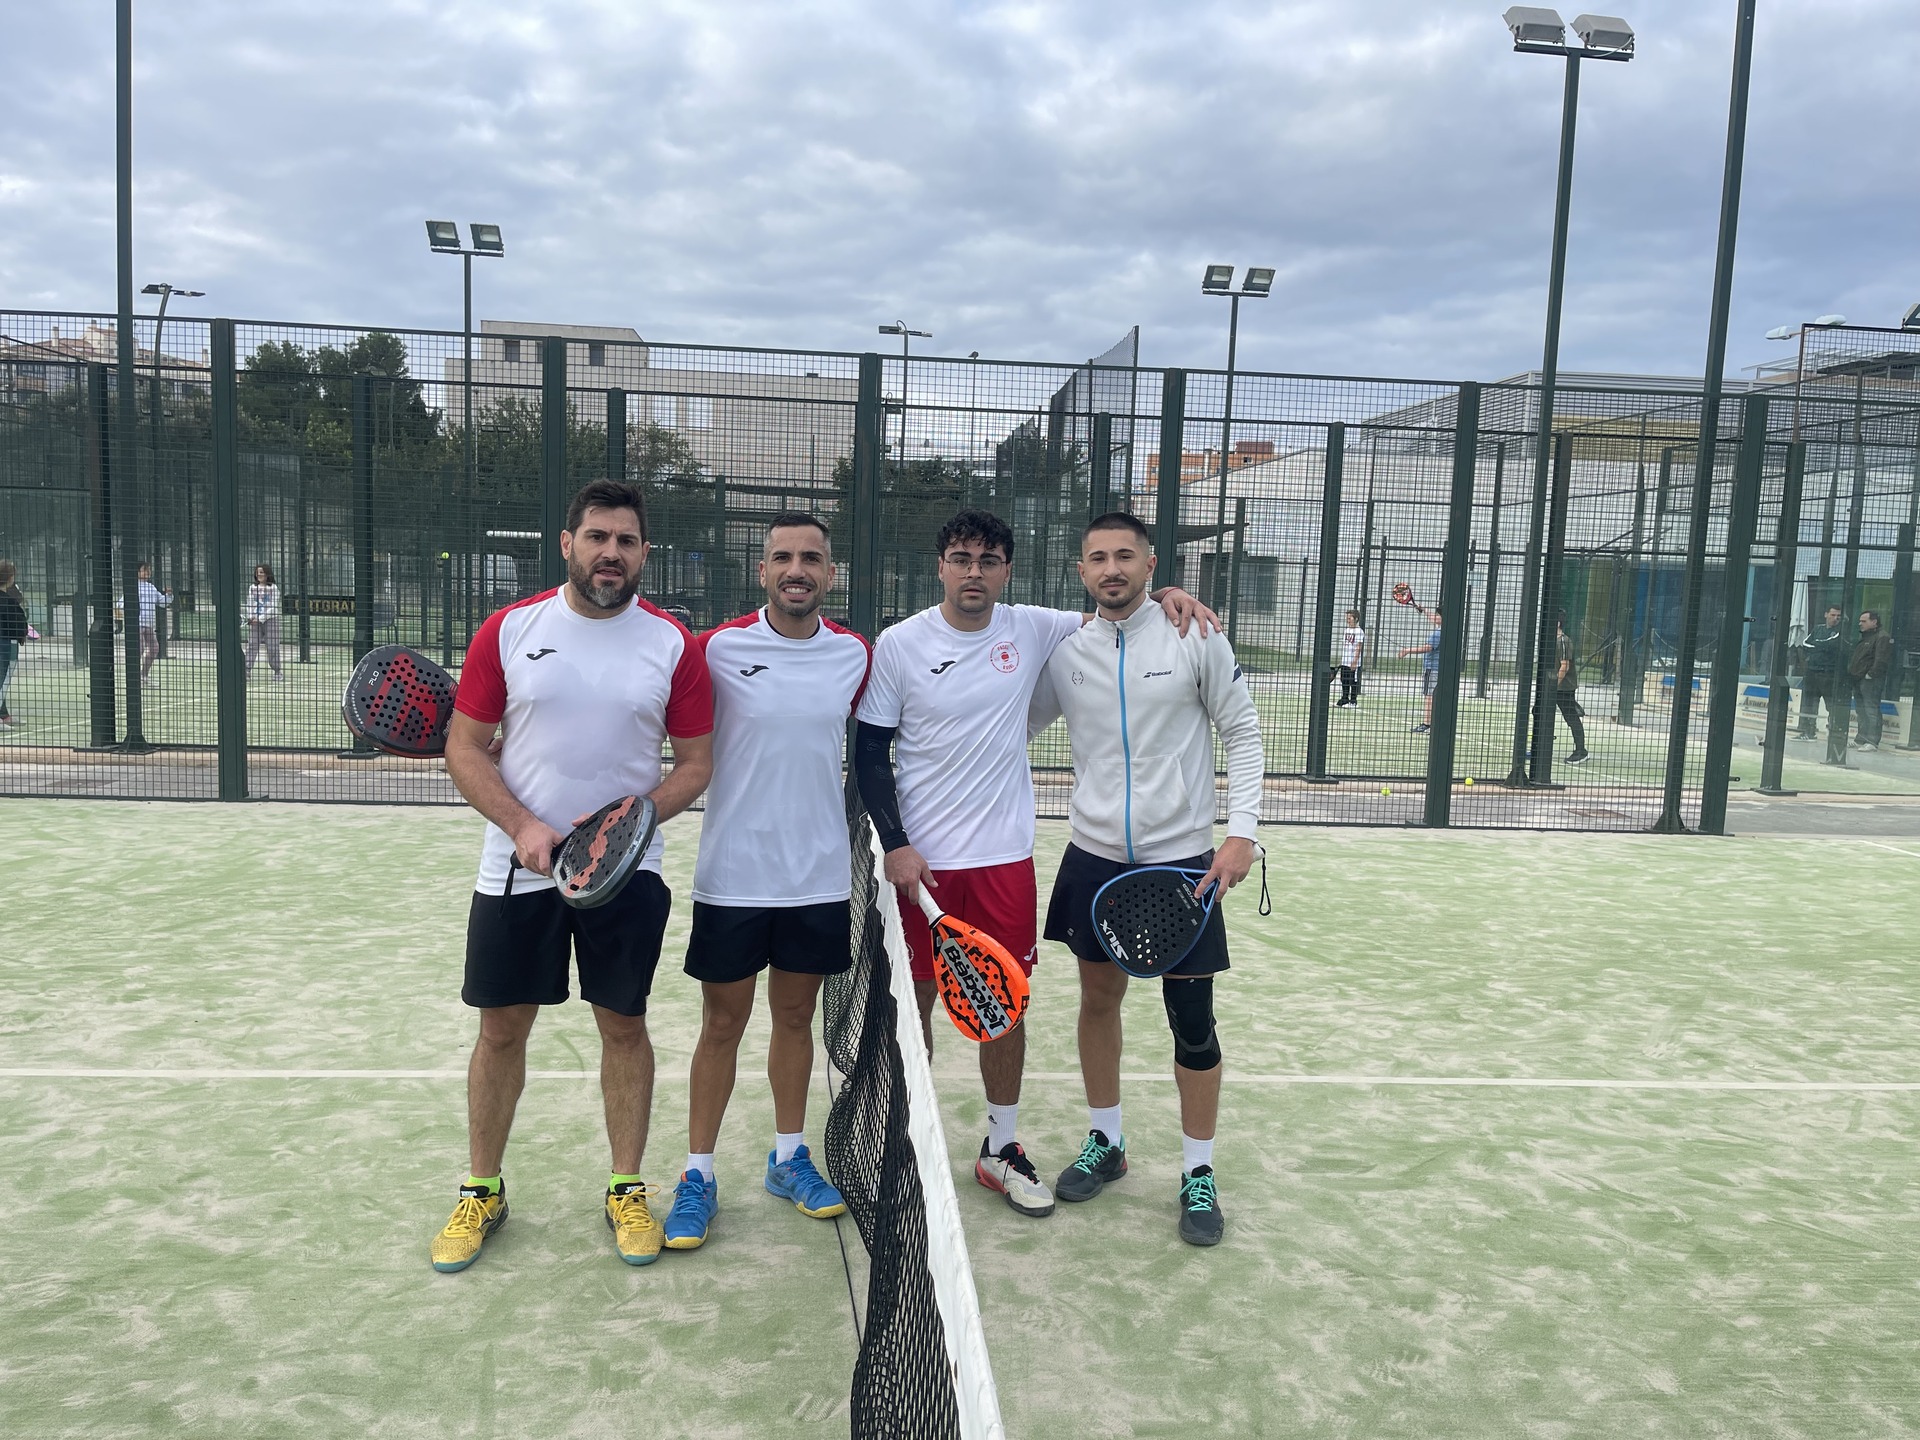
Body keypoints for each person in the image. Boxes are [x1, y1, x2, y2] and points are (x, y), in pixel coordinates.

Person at [853, 508, 1214, 1220]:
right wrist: (895, 842)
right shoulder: (900, 644)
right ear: (940, 567)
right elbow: (869, 751)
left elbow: (1118, 606)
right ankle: (902, 1146)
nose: (974, 573)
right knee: (913, 1010)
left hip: (1004, 864)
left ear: (1006, 572)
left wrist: (1171, 593)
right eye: (961, 559)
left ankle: (1000, 1147)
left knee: (1003, 1006)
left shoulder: (1035, 627)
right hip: (920, 868)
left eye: (988, 561)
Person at [430, 479, 714, 1274]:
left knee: (623, 1026)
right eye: (596, 537)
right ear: (567, 544)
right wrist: (523, 826)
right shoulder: (509, 630)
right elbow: (464, 747)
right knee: (501, 1030)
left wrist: (627, 827)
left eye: (625, 541)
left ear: (644, 552)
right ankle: (482, 1189)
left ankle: (626, 1188)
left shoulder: (673, 645)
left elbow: (696, 764)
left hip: (625, 877)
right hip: (516, 872)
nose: (610, 553)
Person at [1029, 513, 1262, 1247]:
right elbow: (1009, 725)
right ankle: (1107, 1141)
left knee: (1192, 1022)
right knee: (1098, 1001)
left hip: (1183, 861)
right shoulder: (1066, 652)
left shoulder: (1195, 634)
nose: (1112, 569)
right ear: (1081, 571)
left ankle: (1198, 1172)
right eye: (1098, 557)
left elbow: (1242, 731)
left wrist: (1242, 833)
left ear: (1150, 564)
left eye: (1125, 555)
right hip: (1094, 857)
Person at [661, 512, 870, 1251]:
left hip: (817, 879)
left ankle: (788, 1158)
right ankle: (697, 1174)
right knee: (722, 1025)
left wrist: (1160, 596)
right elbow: (643, 703)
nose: (796, 570)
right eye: (783, 557)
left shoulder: (855, 655)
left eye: (811, 558)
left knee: (795, 1020)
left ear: (830, 574)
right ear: (762, 571)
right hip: (734, 878)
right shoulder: (715, 648)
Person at [1799, 604, 1850, 765]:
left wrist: (1817, 646)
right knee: (1809, 703)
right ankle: (1808, 731)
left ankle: (1834, 732)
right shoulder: (1818, 629)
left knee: (1831, 705)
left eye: (1838, 616)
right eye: (1833, 615)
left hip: (1828, 673)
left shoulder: (1840, 631)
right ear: (1826, 614)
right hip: (1812, 671)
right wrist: (1819, 647)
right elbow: (1805, 643)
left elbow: (1831, 645)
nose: (1836, 618)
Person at [1849, 609, 1894, 752]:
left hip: (1870, 680)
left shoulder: (1882, 637)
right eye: (1860, 621)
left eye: (1864, 621)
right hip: (1859, 678)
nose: (1860, 623)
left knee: (1871, 709)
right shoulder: (1866, 637)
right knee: (1861, 710)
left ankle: (1872, 741)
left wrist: (1871, 674)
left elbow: (1881, 659)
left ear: (1874, 622)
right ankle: (1861, 738)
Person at [1398, 601, 1442, 734]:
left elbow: (1428, 648)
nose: (1434, 617)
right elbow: (1433, 618)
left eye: (1437, 615)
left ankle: (1427, 724)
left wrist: (1408, 650)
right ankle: (1436, 724)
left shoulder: (1437, 634)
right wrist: (1423, 609)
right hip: (1440, 668)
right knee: (1436, 695)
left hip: (1432, 668)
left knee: (1429, 696)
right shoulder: (1447, 630)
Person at [1555, 612, 1590, 766]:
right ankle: (1538, 747)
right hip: (1551, 686)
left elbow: (1565, 665)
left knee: (1571, 717)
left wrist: (1555, 684)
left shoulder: (1564, 641)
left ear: (1557, 623)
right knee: (1539, 712)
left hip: (1564, 687)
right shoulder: (1550, 640)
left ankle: (1581, 751)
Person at [0, 560, 28, 728]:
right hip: (5, 645)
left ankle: (3, 714)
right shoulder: (9, 602)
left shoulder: (10, 598)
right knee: (3, 679)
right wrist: (22, 633)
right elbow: (18, 624)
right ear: (10, 578)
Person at [245, 563, 284, 680]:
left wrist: (261, 618)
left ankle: (277, 671)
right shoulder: (252, 587)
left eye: (261, 572)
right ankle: (246, 670)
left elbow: (273, 607)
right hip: (255, 622)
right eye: (257, 572)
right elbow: (249, 603)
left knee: (272, 646)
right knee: (252, 645)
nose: (259, 575)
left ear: (267, 574)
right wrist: (251, 617)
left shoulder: (273, 588)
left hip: (270, 620)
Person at [135, 562, 172, 685]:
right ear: (137, 572)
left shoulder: (151, 587)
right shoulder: (133, 587)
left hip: (149, 624)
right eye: (144, 570)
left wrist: (169, 595)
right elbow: (120, 603)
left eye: (148, 570)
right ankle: (134, 676)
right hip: (137, 624)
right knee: (139, 649)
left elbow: (162, 602)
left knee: (154, 648)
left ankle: (143, 675)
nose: (147, 572)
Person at [1335, 609, 1365, 707]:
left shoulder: (1359, 631)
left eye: (1349, 618)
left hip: (1352, 661)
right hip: (1345, 660)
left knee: (1353, 680)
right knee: (1344, 680)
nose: (1347, 620)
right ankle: (1344, 699)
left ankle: (1353, 701)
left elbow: (1358, 647)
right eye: (1347, 618)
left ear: (1355, 619)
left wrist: (1355, 661)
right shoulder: (1347, 630)